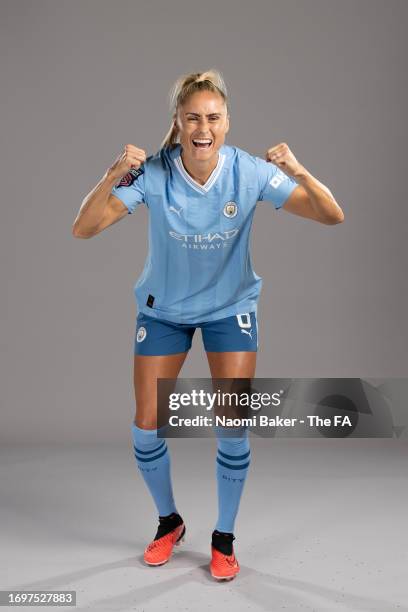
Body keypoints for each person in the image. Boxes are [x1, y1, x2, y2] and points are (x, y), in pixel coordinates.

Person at [72, 69, 344, 581]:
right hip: (163, 311)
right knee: (147, 423)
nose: (203, 128)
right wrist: (110, 175)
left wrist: (301, 170)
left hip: (229, 309)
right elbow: (83, 227)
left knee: (232, 424)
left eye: (213, 118)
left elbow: (332, 215)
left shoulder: (251, 172)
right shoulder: (152, 172)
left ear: (227, 122)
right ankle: (169, 522)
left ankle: (223, 537)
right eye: (192, 117)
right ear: (177, 121)